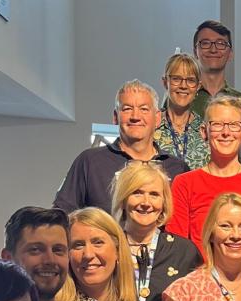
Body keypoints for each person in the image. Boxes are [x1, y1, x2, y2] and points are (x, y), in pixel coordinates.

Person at [167, 95, 241, 279]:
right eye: (217, 125)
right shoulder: (185, 183)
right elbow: (176, 248)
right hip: (202, 285)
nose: (225, 132)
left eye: (234, 125)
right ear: (204, 131)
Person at [54, 80, 188, 212]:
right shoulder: (89, 162)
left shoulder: (178, 168)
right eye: (127, 109)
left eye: (144, 109)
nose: (135, 116)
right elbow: (61, 215)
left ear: (157, 118)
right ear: (115, 117)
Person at [110, 161, 202, 301]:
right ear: (123, 200)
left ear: (164, 202)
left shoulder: (184, 252)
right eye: (137, 193)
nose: (146, 203)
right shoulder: (108, 248)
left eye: (154, 195)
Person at [155, 53, 210, 170]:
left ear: (198, 86)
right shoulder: (151, 125)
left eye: (190, 80)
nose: (183, 86)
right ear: (165, 82)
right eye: (176, 79)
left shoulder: (206, 130)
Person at [191, 19, 241, 116]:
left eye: (221, 44)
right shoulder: (181, 99)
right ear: (195, 52)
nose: (213, 50)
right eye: (205, 43)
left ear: (230, 54)